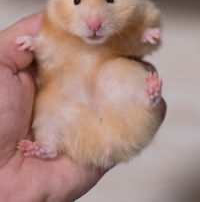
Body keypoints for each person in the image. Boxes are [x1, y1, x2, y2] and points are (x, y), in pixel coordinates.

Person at [0, 13, 166, 201]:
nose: (94, 23)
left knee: (124, 76)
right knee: (50, 110)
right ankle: (49, 145)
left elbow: (139, 30)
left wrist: (142, 36)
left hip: (109, 101)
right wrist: (36, 43)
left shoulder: (119, 20)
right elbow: (52, 47)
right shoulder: (62, 22)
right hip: (76, 111)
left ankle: (146, 98)